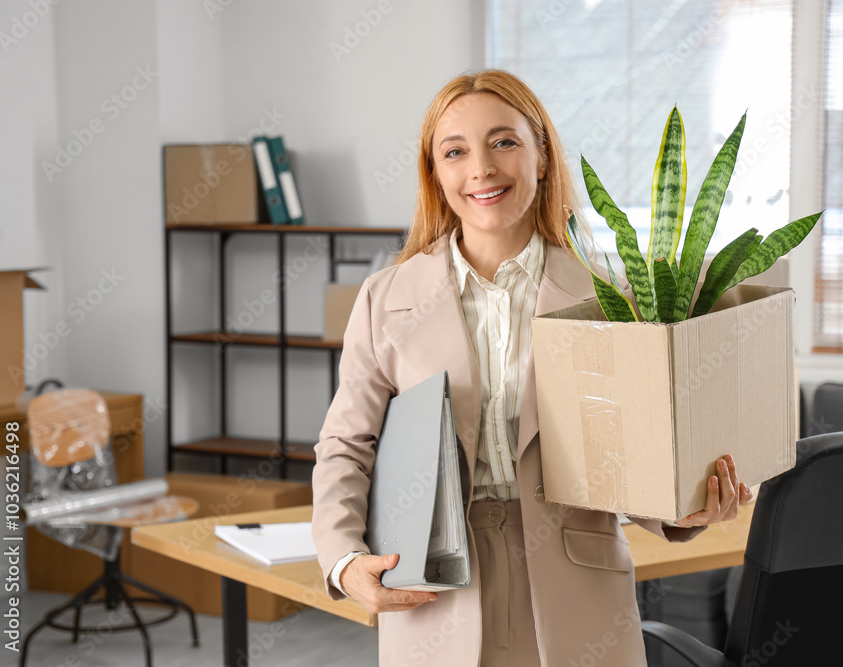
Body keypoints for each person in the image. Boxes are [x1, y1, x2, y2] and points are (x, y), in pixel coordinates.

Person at [311, 69, 753, 667]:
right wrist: (342, 559)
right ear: (435, 174)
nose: (481, 169)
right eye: (455, 151)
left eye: (504, 142)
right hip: (434, 583)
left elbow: (627, 453)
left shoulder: (612, 298)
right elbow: (346, 444)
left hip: (576, 585)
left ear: (542, 156)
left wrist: (684, 508)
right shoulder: (383, 300)